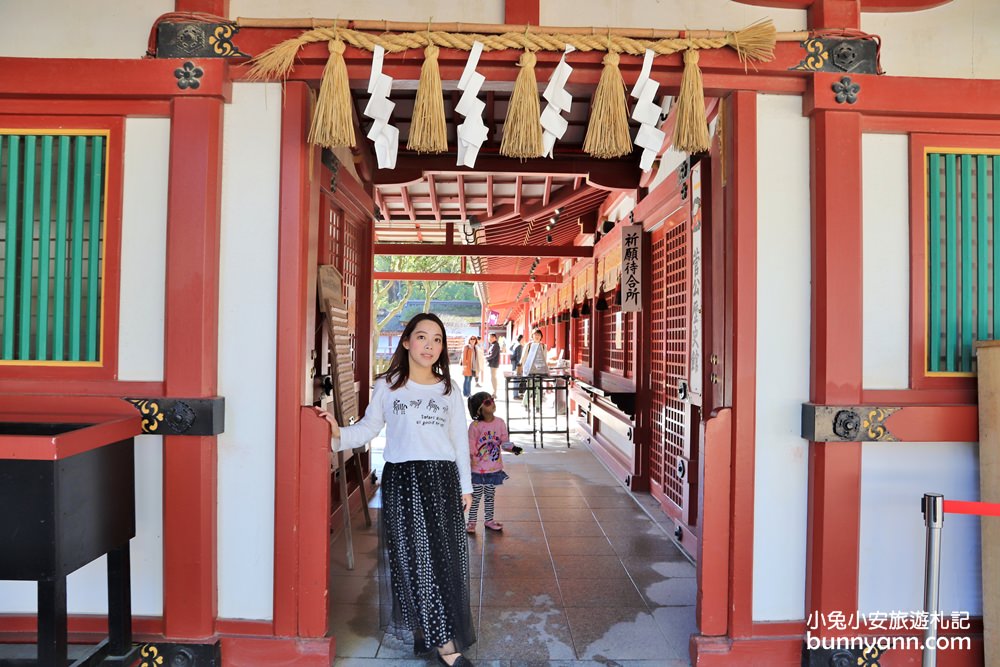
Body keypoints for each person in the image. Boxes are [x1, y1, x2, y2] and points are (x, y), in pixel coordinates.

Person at [317, 313, 475, 667]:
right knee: (416, 560)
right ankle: (446, 646)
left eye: (437, 339)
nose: (430, 346)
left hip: (443, 479)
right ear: (406, 342)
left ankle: (432, 631)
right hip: (404, 480)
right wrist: (337, 432)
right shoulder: (387, 385)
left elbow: (459, 444)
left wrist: (466, 489)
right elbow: (369, 428)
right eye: (422, 337)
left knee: (442, 561)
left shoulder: (447, 389)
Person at [466, 391, 521, 534]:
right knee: (476, 496)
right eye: (488, 402)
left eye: (492, 400)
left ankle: (489, 520)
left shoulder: (500, 423)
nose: (493, 403)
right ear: (480, 409)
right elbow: (470, 446)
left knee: (490, 496)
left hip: (493, 469)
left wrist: (514, 449)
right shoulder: (475, 426)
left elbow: (504, 443)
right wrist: (469, 462)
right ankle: (471, 522)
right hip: (477, 470)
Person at [516, 329, 550, 410]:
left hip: (540, 369)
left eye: (539, 335)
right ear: (532, 336)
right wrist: (522, 367)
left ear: (541, 336)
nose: (537, 336)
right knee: (530, 387)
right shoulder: (529, 345)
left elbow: (545, 358)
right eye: (535, 334)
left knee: (538, 388)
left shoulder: (543, 346)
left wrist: (546, 368)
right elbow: (524, 357)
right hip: (529, 370)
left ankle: (538, 405)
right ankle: (525, 403)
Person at [485, 333, 500, 398]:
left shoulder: (495, 345)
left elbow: (492, 355)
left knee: (493, 378)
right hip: (492, 364)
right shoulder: (493, 345)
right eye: (489, 338)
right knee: (492, 378)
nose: (489, 339)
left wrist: (485, 357)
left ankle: (494, 392)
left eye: (491, 337)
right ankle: (494, 391)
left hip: (494, 364)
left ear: (495, 338)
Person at [508, 334, 524, 399]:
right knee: (516, 380)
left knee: (515, 379)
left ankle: (515, 394)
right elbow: (519, 357)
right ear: (521, 339)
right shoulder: (519, 346)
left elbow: (510, 349)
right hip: (517, 364)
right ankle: (515, 395)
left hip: (513, 363)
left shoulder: (515, 344)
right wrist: (520, 366)